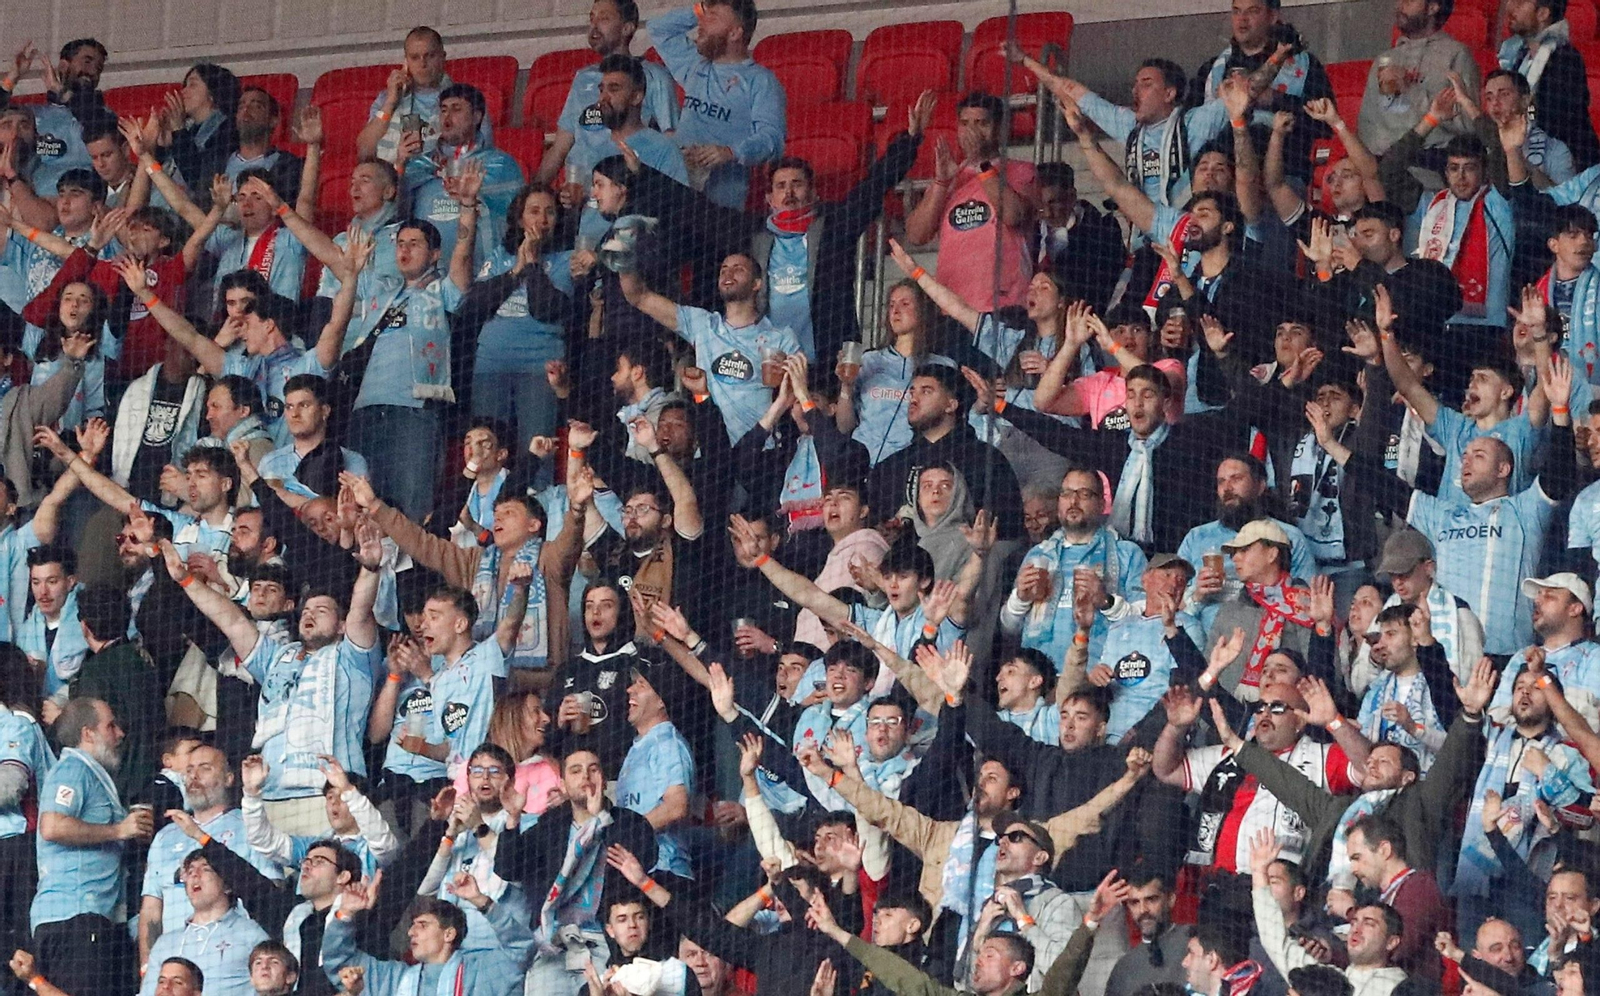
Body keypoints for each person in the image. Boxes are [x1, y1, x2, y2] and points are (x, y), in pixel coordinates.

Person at [163, 533, 380, 835]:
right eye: (306, 610)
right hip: (269, 797)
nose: (309, 615)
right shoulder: (279, 656)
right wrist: (186, 579)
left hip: (326, 797)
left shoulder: (353, 660)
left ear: (341, 625)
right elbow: (233, 622)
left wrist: (370, 570)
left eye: (321, 610)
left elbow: (359, 613)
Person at [619, 253, 802, 445]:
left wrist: (785, 378)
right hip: (711, 448)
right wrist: (623, 259)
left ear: (757, 284)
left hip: (762, 449)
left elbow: (800, 395)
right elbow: (639, 297)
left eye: (738, 269)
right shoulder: (702, 324)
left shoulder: (780, 337)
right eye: (723, 270)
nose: (728, 274)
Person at [32, 697, 149, 996]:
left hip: (90, 918)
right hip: (75, 917)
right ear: (88, 733)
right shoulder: (73, 769)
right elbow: (52, 826)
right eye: (110, 726)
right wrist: (118, 829)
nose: (120, 734)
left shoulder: (93, 774)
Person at [904, 93, 1037, 313]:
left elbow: (1013, 215)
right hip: (952, 308)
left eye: (982, 123)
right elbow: (916, 235)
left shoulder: (1021, 170)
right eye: (965, 124)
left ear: (1000, 129)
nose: (973, 131)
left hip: (1004, 307)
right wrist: (941, 182)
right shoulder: (950, 176)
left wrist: (982, 164)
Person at [647, 0, 785, 209]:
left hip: (721, 206)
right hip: (676, 193)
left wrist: (731, 152)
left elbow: (773, 139)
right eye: (704, 16)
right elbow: (658, 29)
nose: (701, 24)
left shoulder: (760, 81)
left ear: (734, 33)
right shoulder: (695, 66)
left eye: (713, 18)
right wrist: (700, 9)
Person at [537, 0, 679, 193]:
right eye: (591, 18)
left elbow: (671, 143)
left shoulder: (654, 77)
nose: (594, 26)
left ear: (627, 28)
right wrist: (532, 193)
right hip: (576, 197)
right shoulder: (583, 78)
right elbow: (560, 148)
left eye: (604, 18)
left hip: (625, 194)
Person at [321, 870, 537, 996]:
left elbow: (521, 948)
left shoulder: (481, 971)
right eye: (412, 925)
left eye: (422, 924)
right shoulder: (394, 978)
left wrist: (480, 900)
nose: (411, 932)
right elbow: (341, 963)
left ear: (449, 934)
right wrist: (345, 913)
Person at [1248, 829, 1406, 996]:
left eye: (1369, 923)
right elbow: (1275, 941)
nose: (1356, 929)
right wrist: (1259, 872)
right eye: (1353, 922)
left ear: (1391, 942)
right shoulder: (1329, 978)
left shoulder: (1399, 988)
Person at [401, 83, 522, 261]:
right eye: (443, 110)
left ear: (476, 117)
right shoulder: (420, 164)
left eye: (456, 109)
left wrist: (473, 195)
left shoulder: (500, 164)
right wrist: (399, 167)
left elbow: (518, 217)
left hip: (483, 273)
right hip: (428, 278)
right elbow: (394, 213)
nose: (447, 117)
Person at [1357, 0, 1482, 156]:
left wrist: (1411, 90)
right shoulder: (1384, 60)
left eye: (1408, 0)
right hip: (1384, 162)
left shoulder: (1456, 54)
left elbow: (1468, 124)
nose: (1399, 5)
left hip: (1435, 160)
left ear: (1432, 7)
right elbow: (1366, 126)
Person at [138, 850, 269, 996]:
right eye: (190, 870)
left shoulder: (251, 934)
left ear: (227, 885)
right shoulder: (165, 943)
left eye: (205, 869)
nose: (194, 874)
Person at [1498, 0, 1599, 170]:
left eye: (1521, 3)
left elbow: (1556, 118)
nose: (1510, 7)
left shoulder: (1565, 59)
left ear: (1543, 14)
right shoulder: (1519, 57)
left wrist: (1523, 112)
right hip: (1528, 158)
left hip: (1564, 169)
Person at [1103, 865, 1188, 996]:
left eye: (1151, 899)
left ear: (1171, 899)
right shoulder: (1124, 968)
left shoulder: (1196, 944)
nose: (1143, 910)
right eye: (1134, 902)